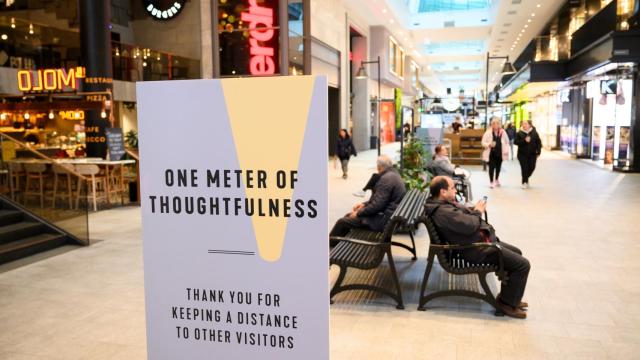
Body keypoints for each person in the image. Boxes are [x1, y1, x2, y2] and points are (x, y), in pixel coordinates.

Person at [424, 176, 531, 318]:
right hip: (475, 250)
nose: (455, 190)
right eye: (452, 188)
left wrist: (473, 210)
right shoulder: (443, 211)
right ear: (443, 192)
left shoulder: (442, 204)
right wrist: (477, 211)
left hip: (477, 244)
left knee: (517, 252)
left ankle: (509, 297)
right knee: (522, 265)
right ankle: (506, 304)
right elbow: (469, 226)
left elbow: (462, 220)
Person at [330, 155, 406, 246]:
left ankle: (329, 246)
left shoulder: (385, 180)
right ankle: (338, 244)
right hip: (390, 217)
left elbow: (377, 205)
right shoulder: (394, 175)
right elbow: (381, 200)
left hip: (384, 221)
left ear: (379, 167)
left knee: (343, 221)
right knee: (348, 217)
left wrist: (358, 213)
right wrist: (364, 204)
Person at [482, 117, 510, 189]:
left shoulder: (502, 132)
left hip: (500, 152)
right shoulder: (488, 132)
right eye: (494, 123)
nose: (495, 125)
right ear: (491, 124)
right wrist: (488, 144)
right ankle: (491, 182)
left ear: (499, 124)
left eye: (497, 123)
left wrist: (504, 143)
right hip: (491, 153)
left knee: (498, 167)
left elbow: (507, 141)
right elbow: (483, 142)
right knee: (491, 168)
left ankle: (496, 179)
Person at [514, 120, 542, 189]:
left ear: (529, 125)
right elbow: (515, 142)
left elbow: (539, 143)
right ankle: (524, 182)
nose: (524, 125)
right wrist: (524, 141)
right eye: (523, 124)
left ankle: (525, 178)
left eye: (526, 124)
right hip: (522, 154)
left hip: (532, 154)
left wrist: (538, 152)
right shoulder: (519, 133)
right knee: (524, 168)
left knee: (532, 167)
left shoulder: (534, 133)